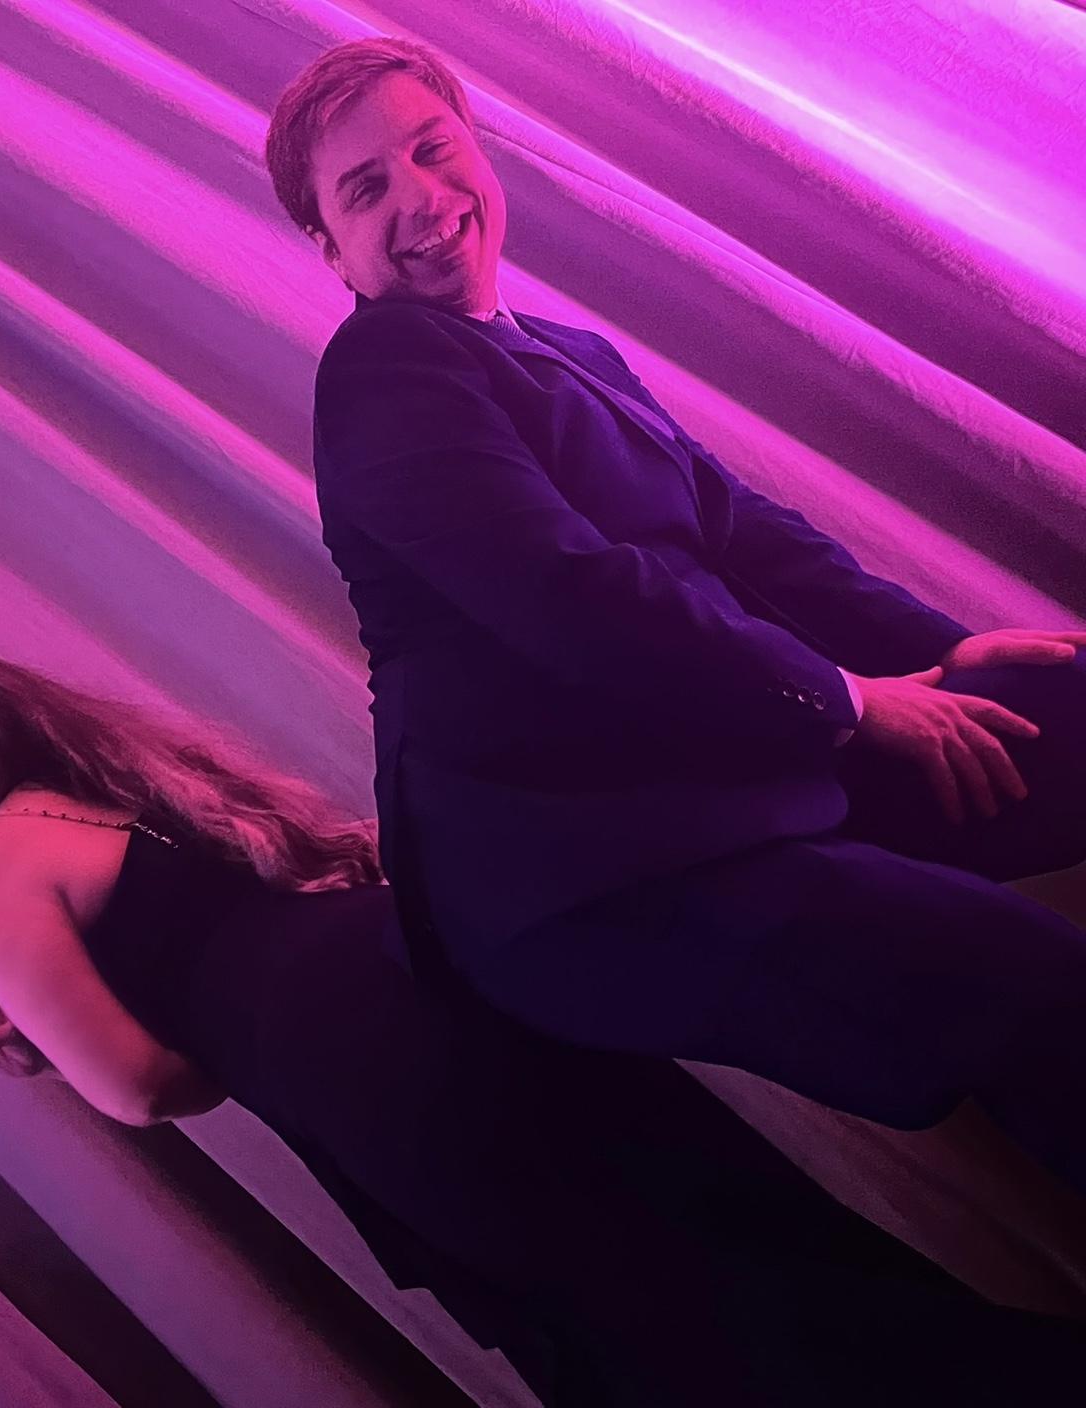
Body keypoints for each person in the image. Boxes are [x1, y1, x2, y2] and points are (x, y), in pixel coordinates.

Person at [265, 37, 1086, 1195]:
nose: (420, 198)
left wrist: (940, 650)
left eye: (430, 150)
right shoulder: (381, 370)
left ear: (476, 151)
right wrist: (851, 701)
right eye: (365, 189)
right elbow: (575, 596)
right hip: (593, 873)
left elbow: (744, 533)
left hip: (717, 764)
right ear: (329, 246)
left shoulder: (570, 352)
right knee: (1026, 983)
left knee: (1063, 705)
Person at [0, 647, 1086, 1405]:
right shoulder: (132, 794)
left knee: (690, 1331)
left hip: (368, 1075)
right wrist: (50, 1021)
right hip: (453, 988)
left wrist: (57, 1043)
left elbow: (150, 1086)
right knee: (746, 1245)